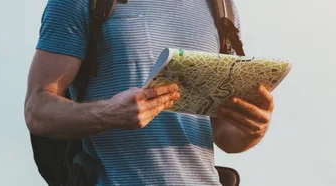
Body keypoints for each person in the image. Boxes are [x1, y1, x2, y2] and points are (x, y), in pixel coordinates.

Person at [24, 0, 275, 185]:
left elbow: (224, 136)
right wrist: (108, 115)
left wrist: (252, 127)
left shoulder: (220, 7)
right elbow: (37, 110)